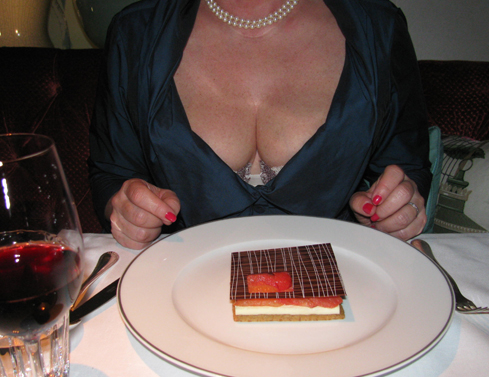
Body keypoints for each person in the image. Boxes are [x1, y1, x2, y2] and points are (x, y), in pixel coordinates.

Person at [88, 0, 431, 250]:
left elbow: (407, 166)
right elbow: (111, 174)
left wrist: (396, 206)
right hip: (182, 290)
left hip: (343, 288)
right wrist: (127, 210)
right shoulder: (134, 32)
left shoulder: (380, 27)